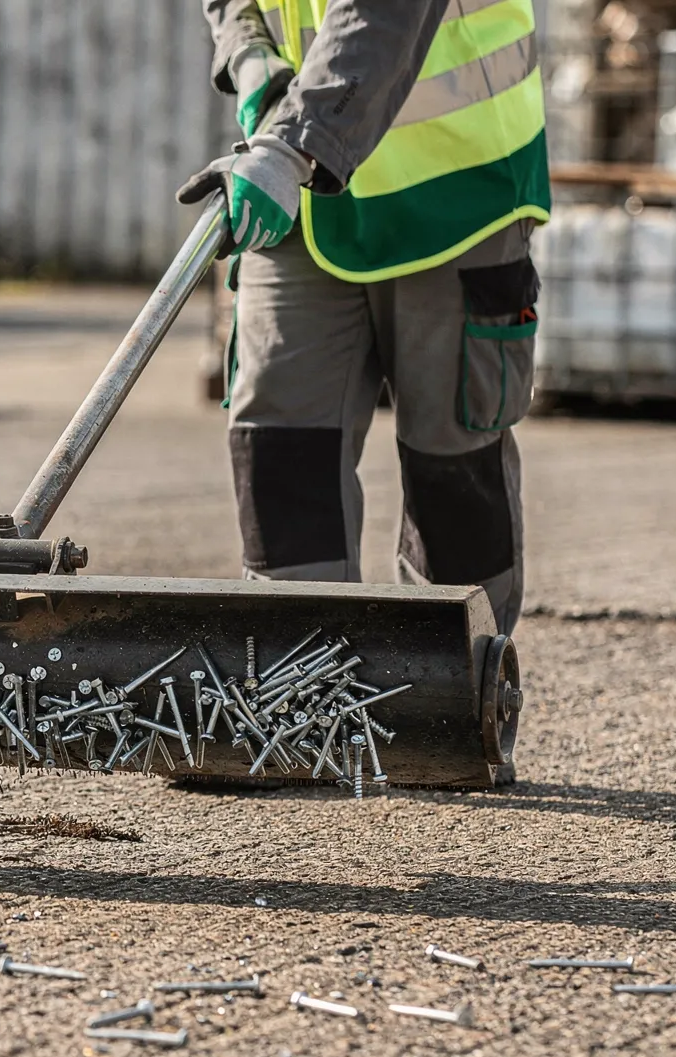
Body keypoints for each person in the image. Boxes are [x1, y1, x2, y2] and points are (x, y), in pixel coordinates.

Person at [180, 0, 549, 636]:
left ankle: (450, 701)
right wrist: (247, 51)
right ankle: (305, 702)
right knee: (280, 451)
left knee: (450, 474)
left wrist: (294, 141)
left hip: (456, 186)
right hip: (303, 195)